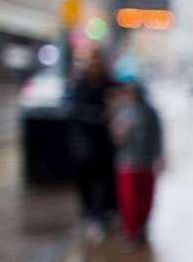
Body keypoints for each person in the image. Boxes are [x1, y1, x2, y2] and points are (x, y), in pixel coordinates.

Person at [68, 50, 118, 241]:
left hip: (106, 142)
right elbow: (74, 110)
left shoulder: (109, 84)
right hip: (86, 141)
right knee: (86, 177)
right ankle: (90, 214)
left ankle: (105, 212)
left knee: (106, 179)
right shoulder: (82, 85)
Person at [110, 78, 163, 249]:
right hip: (126, 163)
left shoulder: (150, 113)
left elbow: (157, 135)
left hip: (145, 162)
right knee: (129, 199)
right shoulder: (121, 111)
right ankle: (131, 231)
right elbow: (115, 137)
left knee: (145, 198)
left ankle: (141, 225)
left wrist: (158, 156)